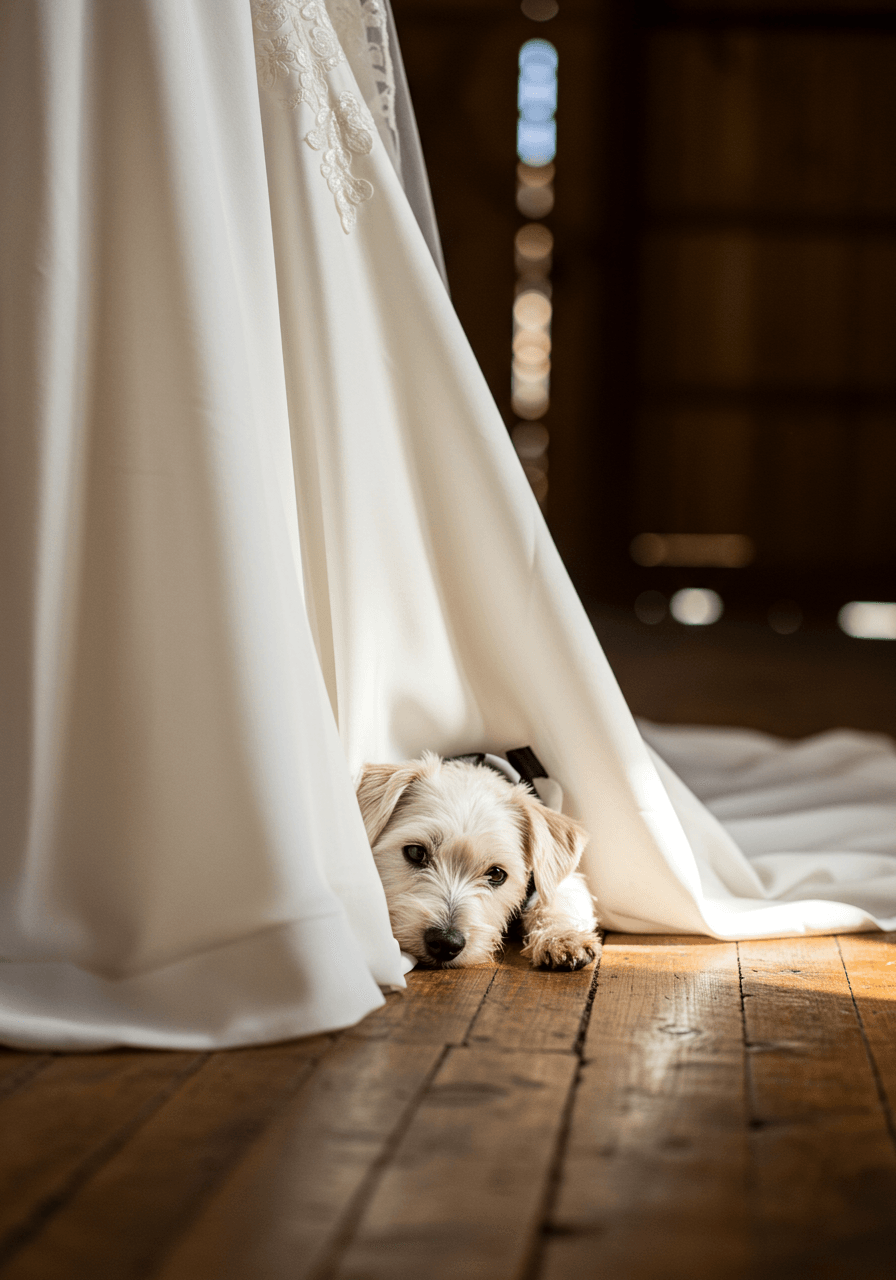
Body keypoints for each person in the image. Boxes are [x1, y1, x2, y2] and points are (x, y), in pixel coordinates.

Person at [1, 0, 893, 1051]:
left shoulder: (535, 830)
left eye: (486, 878)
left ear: (527, 863)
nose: (447, 914)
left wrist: (557, 903)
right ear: (375, 819)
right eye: (419, 855)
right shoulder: (394, 788)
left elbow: (554, 872)